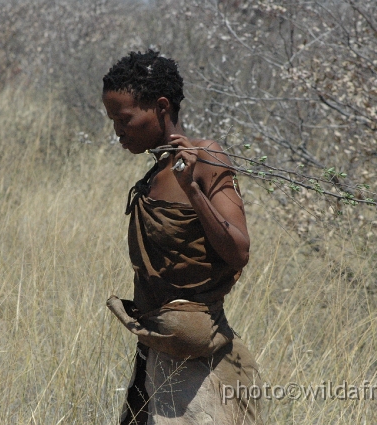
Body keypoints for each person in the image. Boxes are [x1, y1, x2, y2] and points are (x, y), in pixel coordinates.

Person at [103, 50, 261, 425]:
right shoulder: (160, 165)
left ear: (160, 107)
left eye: (124, 119)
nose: (117, 131)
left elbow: (239, 250)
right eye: (111, 120)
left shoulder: (204, 158)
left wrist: (192, 189)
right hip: (158, 351)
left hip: (202, 369)